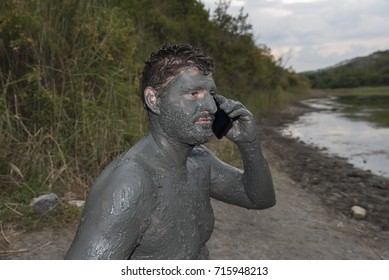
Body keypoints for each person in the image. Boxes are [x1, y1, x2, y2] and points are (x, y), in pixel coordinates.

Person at [65, 44, 276, 260]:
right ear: (154, 100)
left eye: (211, 94)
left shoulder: (200, 161)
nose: (211, 107)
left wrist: (249, 143)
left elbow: (259, 198)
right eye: (194, 93)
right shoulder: (130, 182)